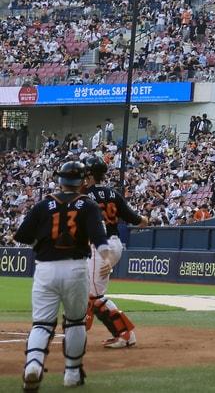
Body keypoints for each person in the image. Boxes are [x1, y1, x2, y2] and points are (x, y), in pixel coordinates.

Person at [13, 160, 106, 392]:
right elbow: (100, 240)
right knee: (75, 321)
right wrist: (107, 260)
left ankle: (33, 365)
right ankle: (72, 374)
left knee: (42, 324)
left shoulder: (44, 205)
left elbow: (22, 235)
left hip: (45, 268)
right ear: (82, 181)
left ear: (60, 180)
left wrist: (41, 242)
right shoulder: (89, 205)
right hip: (75, 268)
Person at [82, 155, 146, 348]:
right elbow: (136, 219)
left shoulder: (85, 196)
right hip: (115, 243)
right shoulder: (113, 193)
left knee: (95, 296)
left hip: (100, 247)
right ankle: (117, 332)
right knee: (89, 291)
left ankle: (124, 334)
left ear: (90, 175)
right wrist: (143, 219)